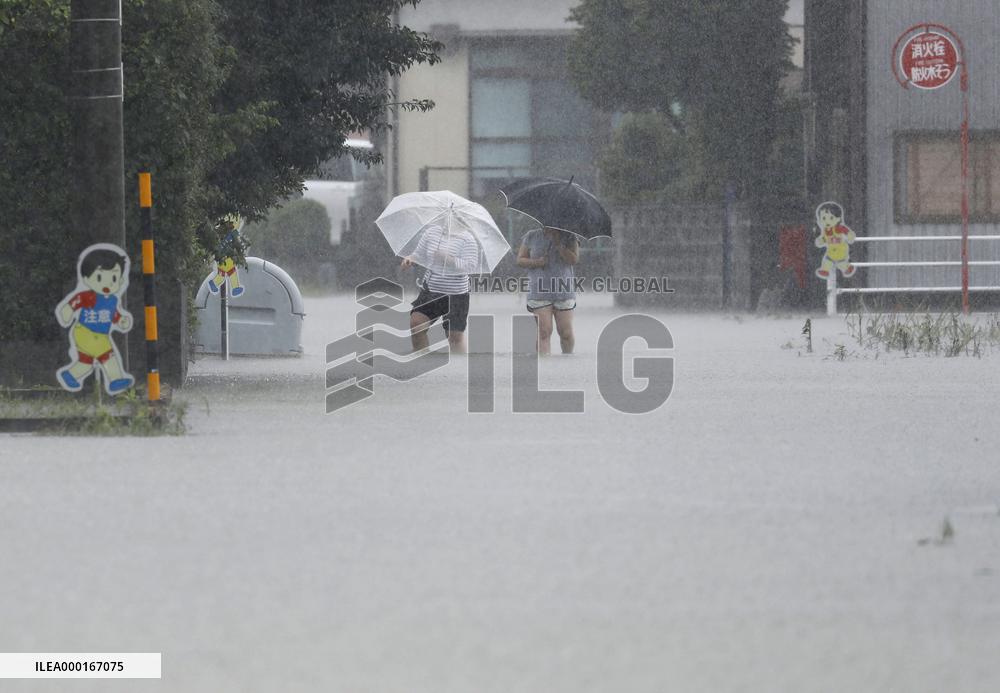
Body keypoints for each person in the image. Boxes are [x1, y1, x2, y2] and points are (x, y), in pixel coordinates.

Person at [402, 220, 481, 353]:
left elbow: (471, 265)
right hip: (431, 291)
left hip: (457, 295)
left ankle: (458, 370)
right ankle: (422, 363)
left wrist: (447, 259)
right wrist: (410, 260)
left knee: (454, 338)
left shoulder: (467, 238)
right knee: (416, 325)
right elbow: (419, 256)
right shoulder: (431, 232)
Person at [516, 226, 579, 354]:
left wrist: (559, 244)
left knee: (565, 332)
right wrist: (537, 262)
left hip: (563, 290)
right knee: (544, 331)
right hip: (539, 291)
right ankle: (544, 367)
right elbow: (520, 260)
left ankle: (568, 362)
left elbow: (573, 260)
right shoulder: (532, 235)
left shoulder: (570, 236)